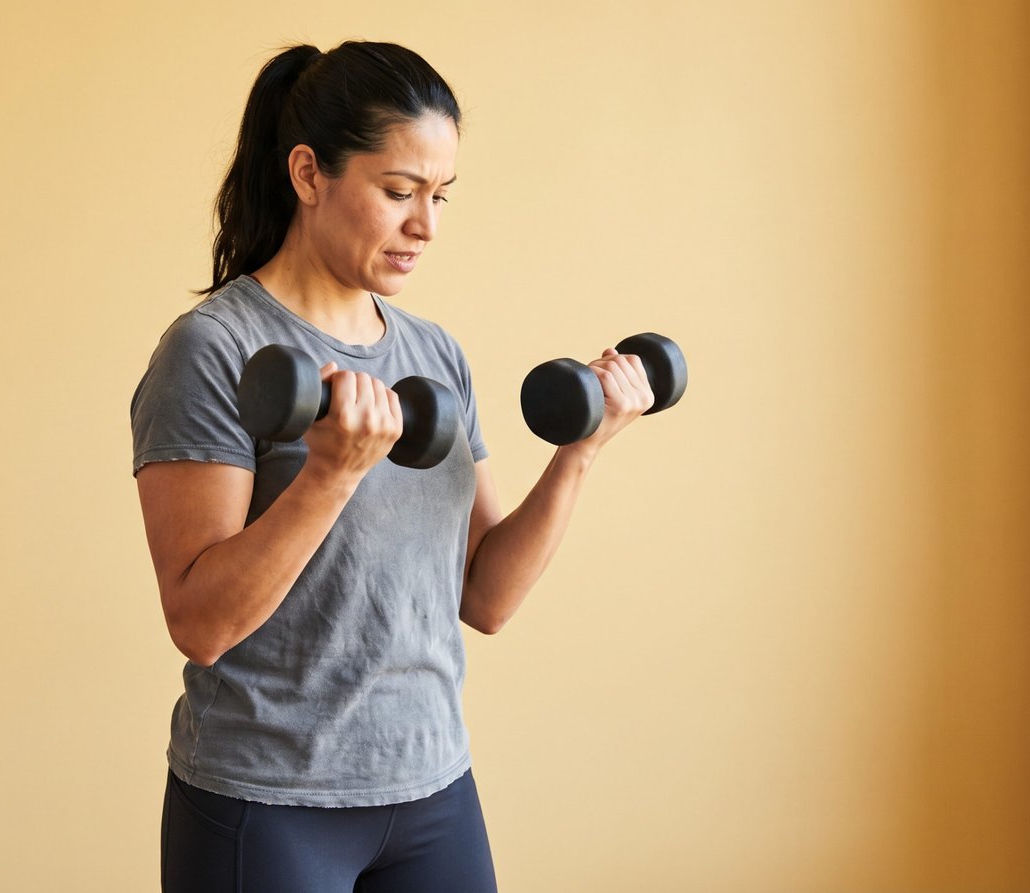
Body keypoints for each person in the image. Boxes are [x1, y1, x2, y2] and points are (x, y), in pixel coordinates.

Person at [130, 40, 654, 893]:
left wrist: (580, 452)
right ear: (309, 174)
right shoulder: (214, 349)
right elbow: (200, 621)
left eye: (441, 195)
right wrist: (330, 474)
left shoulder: (432, 354)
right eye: (398, 191)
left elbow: (484, 597)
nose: (426, 224)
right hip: (269, 803)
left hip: (430, 789)